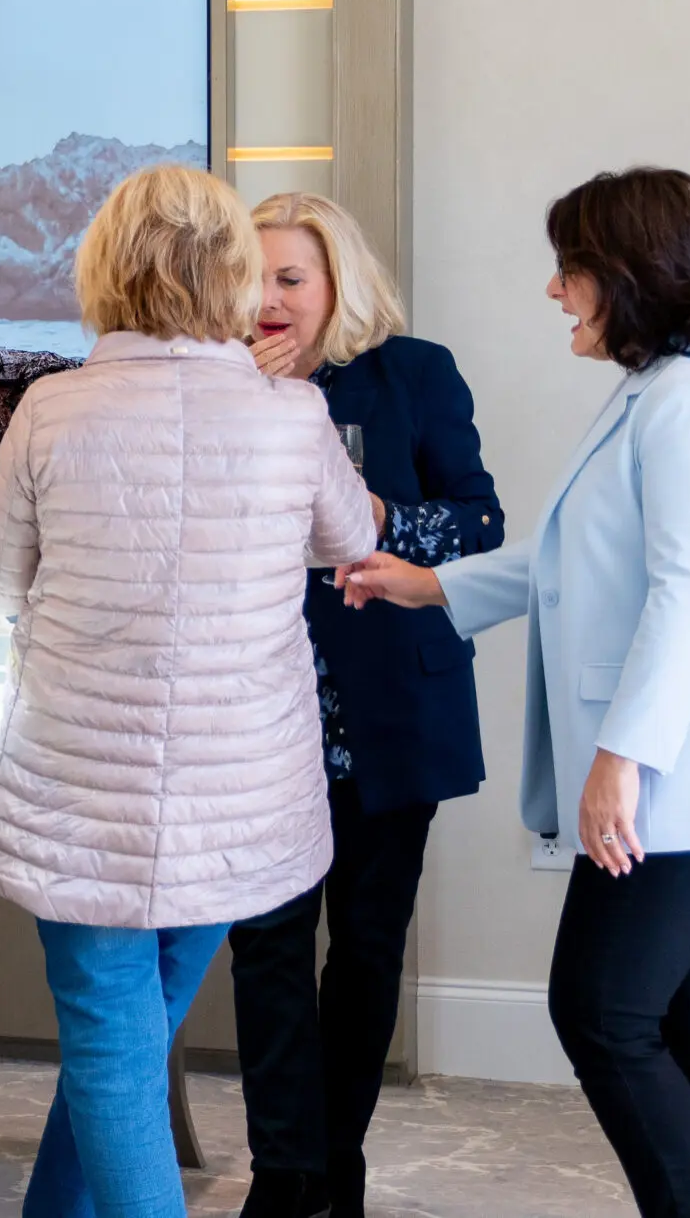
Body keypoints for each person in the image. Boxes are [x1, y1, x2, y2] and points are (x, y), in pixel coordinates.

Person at [343, 167, 690, 1218]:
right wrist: (427, 585)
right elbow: (572, 561)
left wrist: (619, 760)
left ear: (631, 273)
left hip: (688, 780)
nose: (555, 291)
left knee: (600, 1011)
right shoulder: (664, 391)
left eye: (571, 269)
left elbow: (685, 595)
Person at [0, 161, 376, 1218]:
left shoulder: (52, 409)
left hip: (82, 787)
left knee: (112, 1042)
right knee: (129, 1037)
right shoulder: (294, 413)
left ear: (105, 266)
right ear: (232, 271)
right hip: (239, 793)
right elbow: (351, 539)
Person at [229, 193, 504, 1218]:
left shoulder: (413, 373)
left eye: (290, 277)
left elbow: (480, 521)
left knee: (366, 946)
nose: (268, 299)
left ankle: (333, 1166)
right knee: (265, 946)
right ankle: (283, 1173)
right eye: (252, 277)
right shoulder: (214, 385)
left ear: (337, 284)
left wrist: (381, 515)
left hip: (385, 705)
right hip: (257, 709)